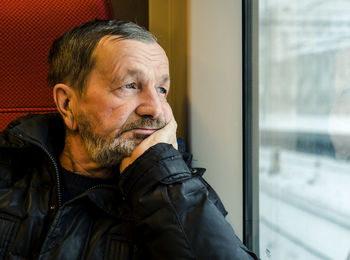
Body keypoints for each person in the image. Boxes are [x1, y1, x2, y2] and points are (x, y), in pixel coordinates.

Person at [0, 20, 258, 259]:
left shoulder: (179, 194)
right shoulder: (10, 168)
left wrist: (161, 178)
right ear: (68, 104)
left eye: (161, 90)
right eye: (130, 86)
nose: (155, 109)